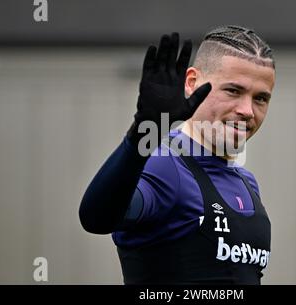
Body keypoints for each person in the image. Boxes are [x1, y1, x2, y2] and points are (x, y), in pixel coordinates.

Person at [79, 25, 276, 284]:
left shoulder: (246, 183)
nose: (247, 110)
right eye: (233, 91)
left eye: (260, 98)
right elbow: (97, 218)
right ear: (192, 82)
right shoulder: (166, 166)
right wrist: (142, 132)